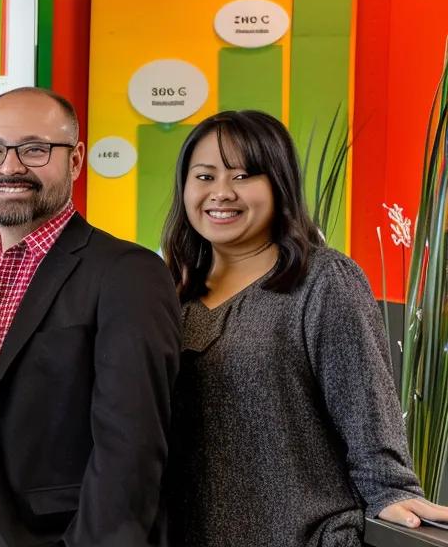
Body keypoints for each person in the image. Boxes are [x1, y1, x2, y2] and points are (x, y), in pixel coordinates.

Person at [160, 110, 448, 545]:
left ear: (279, 184)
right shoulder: (167, 293)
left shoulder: (322, 281)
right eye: (204, 176)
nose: (221, 193)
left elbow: (366, 405)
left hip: (305, 536)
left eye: (243, 176)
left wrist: (391, 490)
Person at [0, 87, 179, 547]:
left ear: (75, 160)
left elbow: (130, 452)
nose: (9, 167)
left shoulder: (126, 273)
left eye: (34, 149)